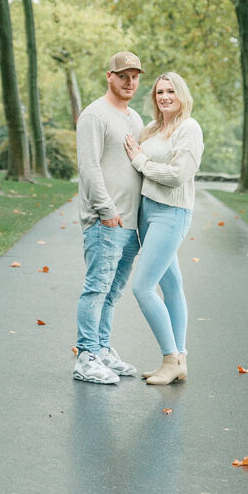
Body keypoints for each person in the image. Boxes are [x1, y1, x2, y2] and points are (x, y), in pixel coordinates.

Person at [124, 72, 204, 386]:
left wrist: (142, 161)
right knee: (171, 286)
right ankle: (179, 360)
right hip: (147, 212)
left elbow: (178, 175)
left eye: (171, 91)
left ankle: (170, 358)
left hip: (171, 213)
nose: (165, 96)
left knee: (143, 287)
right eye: (159, 92)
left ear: (181, 94)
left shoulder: (189, 128)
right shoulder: (152, 129)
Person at [73, 51, 145, 384]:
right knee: (97, 288)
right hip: (106, 221)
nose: (130, 82)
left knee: (114, 292)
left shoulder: (135, 119)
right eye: (123, 76)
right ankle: (86, 356)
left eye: (135, 76)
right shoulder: (94, 116)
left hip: (130, 224)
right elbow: (89, 168)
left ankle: (102, 350)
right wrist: (107, 210)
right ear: (109, 76)